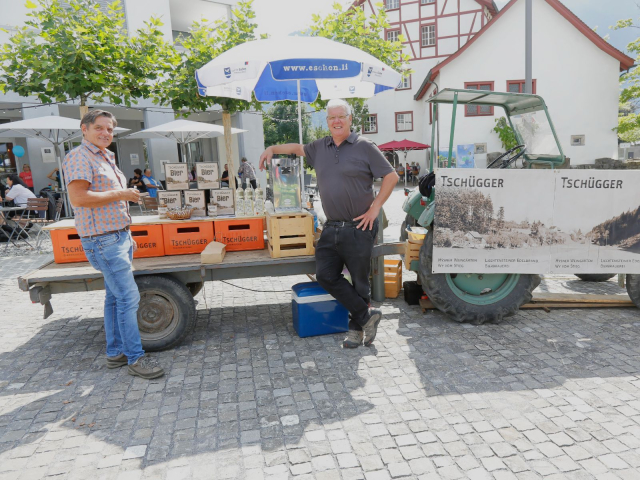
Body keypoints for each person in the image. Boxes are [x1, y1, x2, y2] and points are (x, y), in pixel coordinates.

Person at [259, 99, 398, 349]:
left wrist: (375, 208)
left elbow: (391, 175)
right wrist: (272, 148)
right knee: (325, 275)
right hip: (332, 225)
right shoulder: (319, 147)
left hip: (359, 227)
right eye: (332, 117)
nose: (336, 121)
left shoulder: (364, 146)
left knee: (360, 283)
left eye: (341, 117)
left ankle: (357, 331)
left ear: (350, 119)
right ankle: (367, 317)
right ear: (327, 121)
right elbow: (296, 149)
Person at [62, 109, 164, 379]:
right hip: (103, 239)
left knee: (114, 298)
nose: (106, 133)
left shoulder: (106, 156)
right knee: (129, 298)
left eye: (109, 129)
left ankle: (115, 352)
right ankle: (135, 358)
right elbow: (79, 198)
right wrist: (122, 193)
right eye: (99, 128)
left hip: (117, 236)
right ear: (84, 129)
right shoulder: (78, 156)